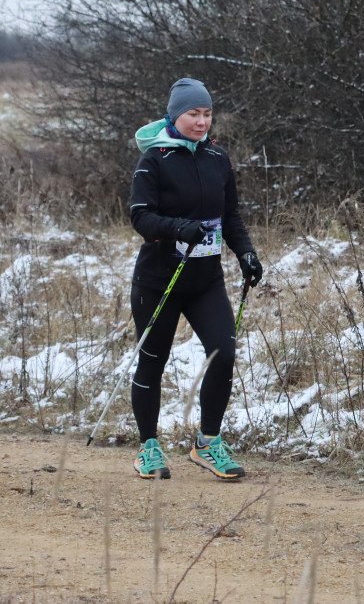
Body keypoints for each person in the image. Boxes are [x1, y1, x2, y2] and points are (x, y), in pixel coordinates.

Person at [127, 78, 263, 481]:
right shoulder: (153, 161)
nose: (202, 122)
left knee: (223, 354)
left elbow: (230, 216)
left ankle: (208, 444)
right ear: (175, 116)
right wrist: (176, 228)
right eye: (193, 114)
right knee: (153, 361)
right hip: (159, 281)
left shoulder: (217, 159)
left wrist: (246, 252)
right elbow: (140, 217)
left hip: (206, 281)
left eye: (206, 114)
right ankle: (148, 448)